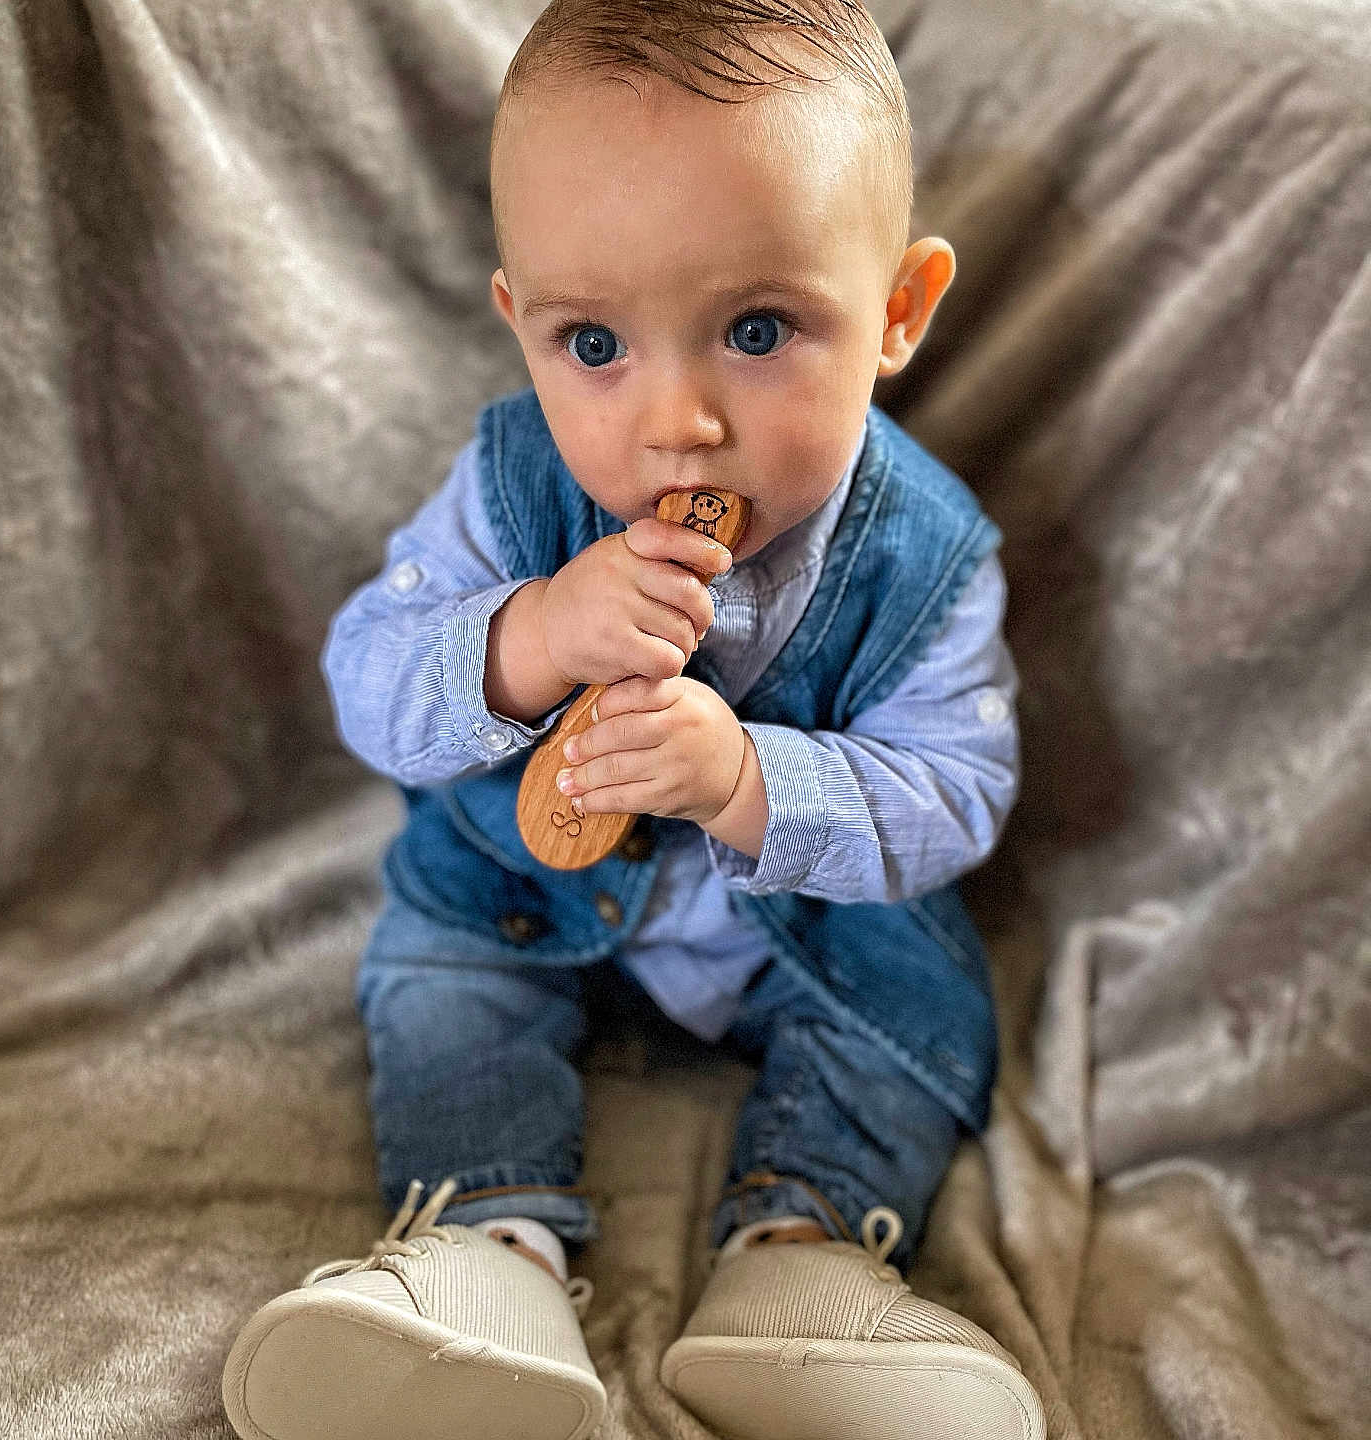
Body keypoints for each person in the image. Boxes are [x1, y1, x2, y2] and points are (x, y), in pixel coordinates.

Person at [222, 2, 1046, 1437]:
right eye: (592, 340)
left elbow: (959, 792)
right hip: (523, 885)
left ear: (900, 312)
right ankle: (488, 1258)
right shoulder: (511, 488)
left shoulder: (927, 555)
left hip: (803, 927)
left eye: (757, 329)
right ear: (520, 324)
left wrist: (750, 780)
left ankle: (801, 1261)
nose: (676, 422)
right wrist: (526, 639)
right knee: (440, 983)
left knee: (914, 1021)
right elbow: (368, 678)